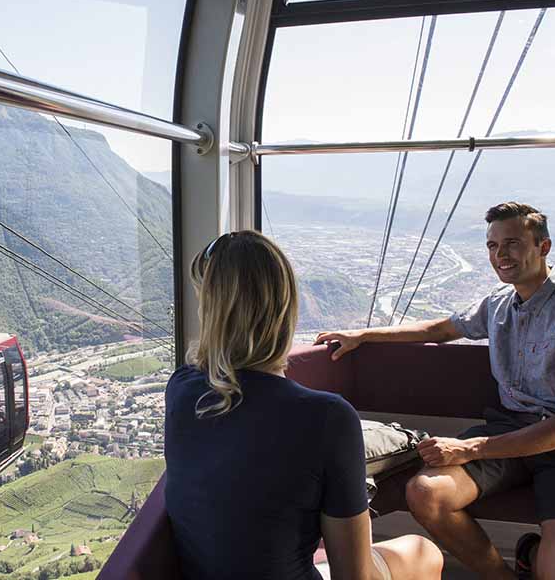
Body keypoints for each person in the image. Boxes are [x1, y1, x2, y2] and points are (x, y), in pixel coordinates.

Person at [316, 202, 555, 580]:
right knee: (427, 492)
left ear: (543, 247)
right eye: (493, 246)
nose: (501, 255)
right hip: (510, 430)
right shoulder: (499, 303)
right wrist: (362, 335)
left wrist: (468, 448)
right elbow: (438, 330)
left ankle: (536, 555)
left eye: (512, 243)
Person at [166, 230, 442, 580]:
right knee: (424, 552)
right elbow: (354, 576)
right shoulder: (327, 417)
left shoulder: (181, 389)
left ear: (210, 309)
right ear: (284, 307)